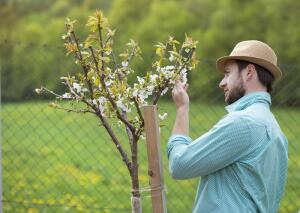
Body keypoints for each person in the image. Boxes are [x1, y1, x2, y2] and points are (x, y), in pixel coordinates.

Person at [168, 40, 288, 213]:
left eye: (227, 73)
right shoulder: (276, 131)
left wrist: (182, 110)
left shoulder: (244, 123)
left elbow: (179, 165)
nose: (222, 83)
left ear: (249, 72)